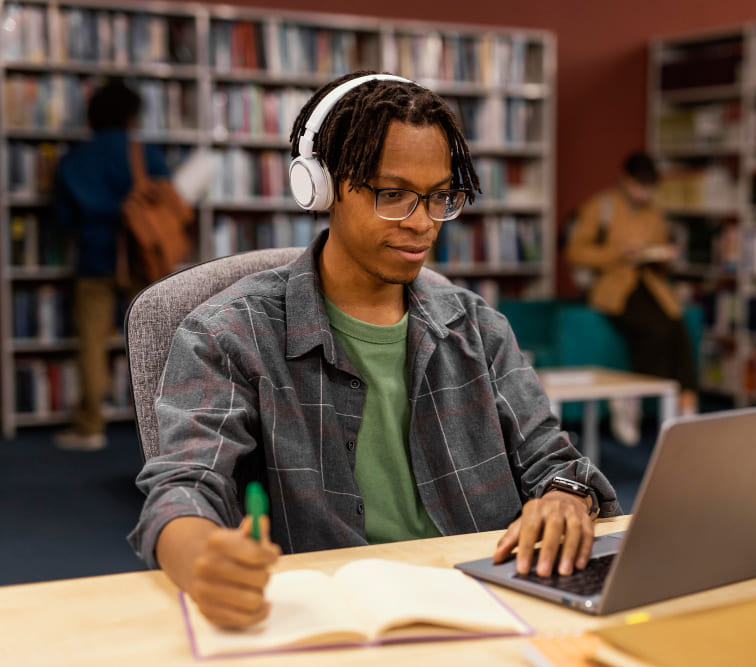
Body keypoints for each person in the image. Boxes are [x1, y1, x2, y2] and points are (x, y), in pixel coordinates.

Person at [128, 71, 621, 630]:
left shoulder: (477, 326)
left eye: (439, 197)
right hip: (331, 620)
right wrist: (201, 562)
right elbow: (184, 487)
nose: (422, 223)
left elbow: (555, 463)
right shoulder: (228, 333)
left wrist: (564, 497)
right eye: (393, 195)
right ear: (321, 187)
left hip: (491, 605)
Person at [51, 79, 171, 451]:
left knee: (91, 342)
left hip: (94, 257)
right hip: (142, 260)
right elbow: (167, 203)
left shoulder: (74, 159)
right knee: (154, 342)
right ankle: (163, 428)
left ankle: (90, 427)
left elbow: (63, 217)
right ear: (133, 116)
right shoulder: (144, 153)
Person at [565, 151, 698, 446]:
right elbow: (576, 252)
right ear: (626, 180)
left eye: (649, 186)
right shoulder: (601, 207)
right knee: (655, 329)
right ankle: (636, 399)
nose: (644, 192)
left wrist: (664, 255)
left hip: (650, 284)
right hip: (613, 286)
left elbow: (661, 252)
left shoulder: (655, 212)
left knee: (677, 327)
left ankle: (687, 405)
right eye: (640, 185)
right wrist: (619, 252)